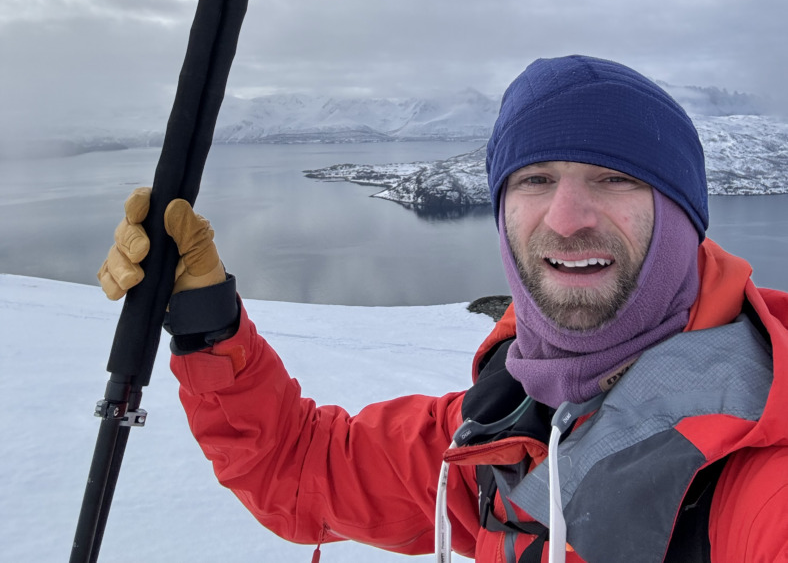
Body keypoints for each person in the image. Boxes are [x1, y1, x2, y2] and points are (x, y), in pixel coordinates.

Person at [99, 55, 788, 563]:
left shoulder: (756, 470)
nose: (568, 217)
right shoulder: (507, 426)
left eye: (613, 178)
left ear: (680, 216)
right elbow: (300, 469)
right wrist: (205, 315)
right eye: (536, 179)